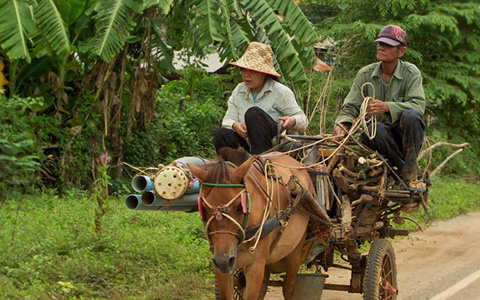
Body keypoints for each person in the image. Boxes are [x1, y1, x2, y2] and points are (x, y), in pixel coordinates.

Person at [333, 25, 426, 185]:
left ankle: (410, 169)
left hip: (403, 136)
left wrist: (387, 107)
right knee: (372, 129)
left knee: (411, 115)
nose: (381, 48)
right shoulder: (365, 74)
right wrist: (342, 123)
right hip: (377, 138)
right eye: (380, 44)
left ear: (401, 52)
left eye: (388, 45)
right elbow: (350, 106)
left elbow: (418, 106)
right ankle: (402, 169)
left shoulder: (411, 73)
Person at [213, 41, 308, 155]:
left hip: (273, 145)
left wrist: (292, 121)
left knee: (254, 114)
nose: (246, 75)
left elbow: (303, 120)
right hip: (246, 145)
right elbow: (227, 120)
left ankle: (261, 162)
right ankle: (234, 167)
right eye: (244, 70)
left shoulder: (281, 92)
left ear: (264, 73)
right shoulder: (239, 91)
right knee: (220, 134)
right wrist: (235, 125)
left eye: (252, 71)